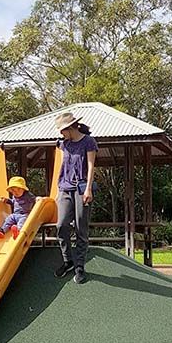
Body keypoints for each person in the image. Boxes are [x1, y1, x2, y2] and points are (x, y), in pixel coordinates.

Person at [53, 112, 98, 284]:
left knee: (81, 227)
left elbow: (91, 165)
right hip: (64, 189)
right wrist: (58, 190)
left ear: (70, 128)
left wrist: (88, 189)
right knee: (61, 225)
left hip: (81, 189)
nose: (61, 134)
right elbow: (63, 167)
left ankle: (80, 267)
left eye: (62, 130)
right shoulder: (64, 144)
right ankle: (68, 261)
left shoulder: (88, 142)